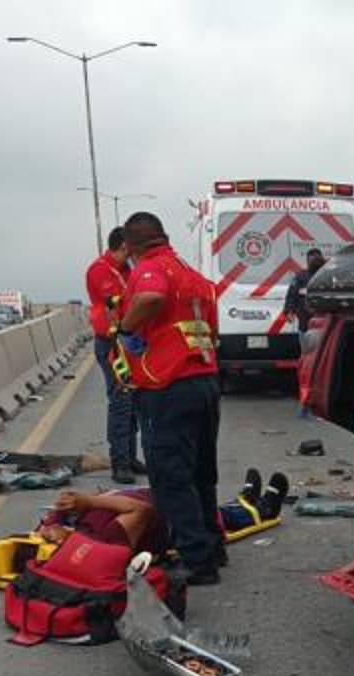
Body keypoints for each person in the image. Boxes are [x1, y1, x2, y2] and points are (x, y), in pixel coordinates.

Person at [115, 212, 224, 585]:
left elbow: (149, 296)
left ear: (131, 246)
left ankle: (197, 560)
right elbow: (212, 324)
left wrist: (124, 328)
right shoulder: (191, 275)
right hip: (204, 381)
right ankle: (213, 545)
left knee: (170, 475)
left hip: (168, 385)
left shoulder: (150, 268)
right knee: (201, 472)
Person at [38, 470, 288, 554]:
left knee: (203, 502)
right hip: (168, 518)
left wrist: (63, 514)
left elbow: (49, 522)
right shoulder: (102, 542)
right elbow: (141, 511)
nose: (51, 531)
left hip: (155, 494)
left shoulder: (63, 528)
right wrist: (90, 501)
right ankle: (262, 510)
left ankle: (244, 501)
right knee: (210, 516)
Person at [85, 226, 141, 484]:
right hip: (111, 343)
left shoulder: (127, 270)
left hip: (129, 341)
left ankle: (129, 457)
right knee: (120, 401)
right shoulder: (100, 270)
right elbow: (118, 301)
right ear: (122, 246)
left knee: (131, 404)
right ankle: (120, 463)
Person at [284, 247, 327, 418]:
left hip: (321, 329)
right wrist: (289, 310)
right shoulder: (301, 278)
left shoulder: (326, 277)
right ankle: (306, 407)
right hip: (308, 327)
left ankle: (310, 406)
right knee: (310, 369)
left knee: (314, 369)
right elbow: (292, 296)